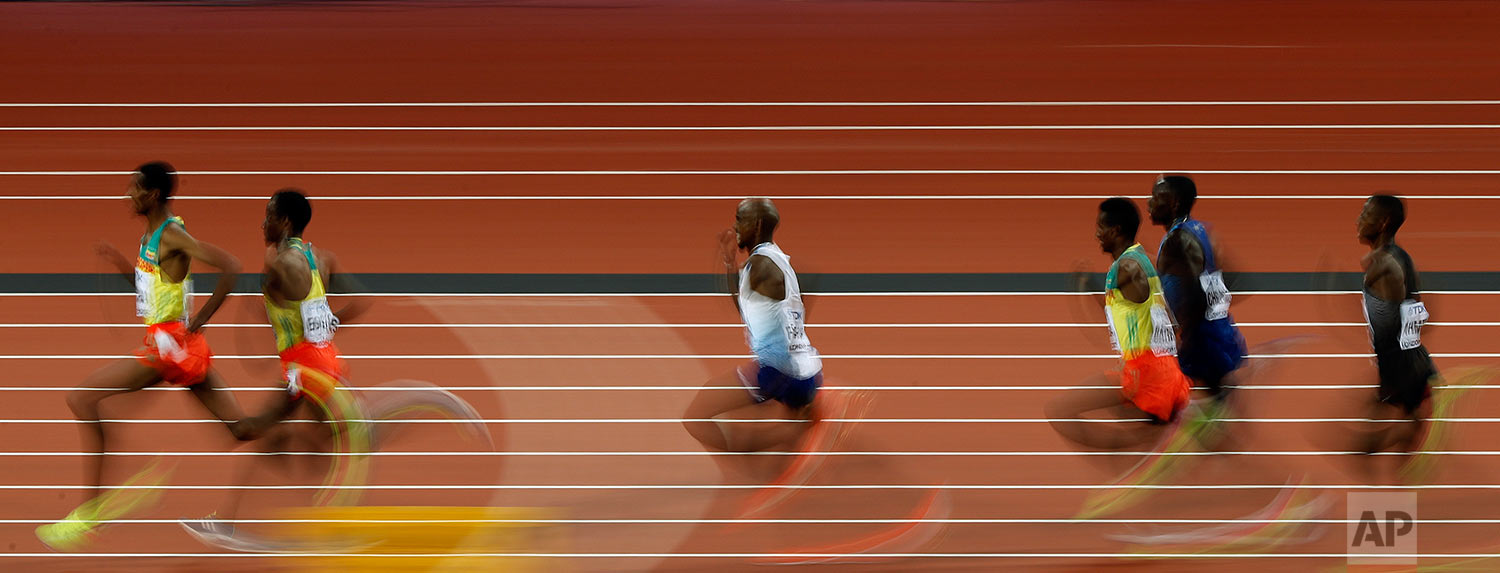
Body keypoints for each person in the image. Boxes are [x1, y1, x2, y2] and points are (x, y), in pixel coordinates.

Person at [37, 162, 250, 551]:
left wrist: (199, 319)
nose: (128, 195)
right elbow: (151, 289)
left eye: (134, 189)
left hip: (168, 348)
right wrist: (122, 264)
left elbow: (232, 266)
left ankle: (91, 512)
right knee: (239, 429)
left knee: (81, 398)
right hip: (178, 349)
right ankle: (297, 413)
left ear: (152, 195)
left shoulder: (173, 235)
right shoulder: (151, 236)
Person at [182, 188, 372, 544]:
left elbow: (284, 293)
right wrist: (328, 323)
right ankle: (330, 525)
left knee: (252, 433)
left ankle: (226, 523)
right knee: (317, 444)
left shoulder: (279, 264)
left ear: (284, 222)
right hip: (325, 359)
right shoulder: (321, 256)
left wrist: (267, 297)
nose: (262, 223)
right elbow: (360, 301)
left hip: (304, 371)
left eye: (268, 216)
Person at [1047, 197, 1192, 450]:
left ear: (1115, 230)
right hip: (1158, 369)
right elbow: (1141, 310)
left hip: (1143, 373)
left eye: (1101, 227)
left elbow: (1161, 313)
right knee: (1121, 414)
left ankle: (1140, 453)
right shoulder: (1138, 259)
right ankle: (1153, 445)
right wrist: (1089, 285)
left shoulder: (1128, 267)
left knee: (1060, 411)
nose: (1097, 234)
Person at [1352, 195, 1437, 462]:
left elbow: (1401, 320)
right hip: (1406, 358)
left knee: (1378, 441)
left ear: (1384, 222)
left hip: (1399, 362)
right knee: (1386, 427)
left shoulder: (1385, 266)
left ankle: (1391, 445)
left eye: (1366, 214)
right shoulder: (1399, 259)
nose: (1359, 219)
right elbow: (1419, 311)